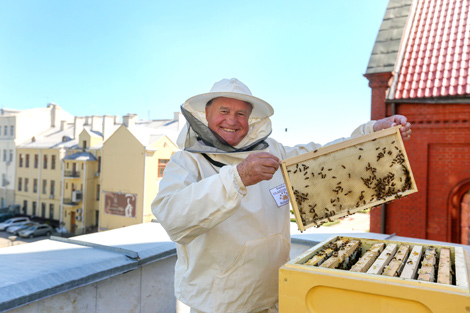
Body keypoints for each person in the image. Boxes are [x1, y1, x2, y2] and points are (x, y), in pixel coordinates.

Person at [151, 78, 412, 313]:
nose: (232, 120)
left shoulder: (273, 151)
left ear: (251, 119)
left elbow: (322, 159)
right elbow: (171, 215)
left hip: (273, 297)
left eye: (241, 113)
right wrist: (237, 177)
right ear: (206, 115)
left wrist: (374, 133)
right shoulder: (186, 161)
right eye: (224, 111)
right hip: (218, 305)